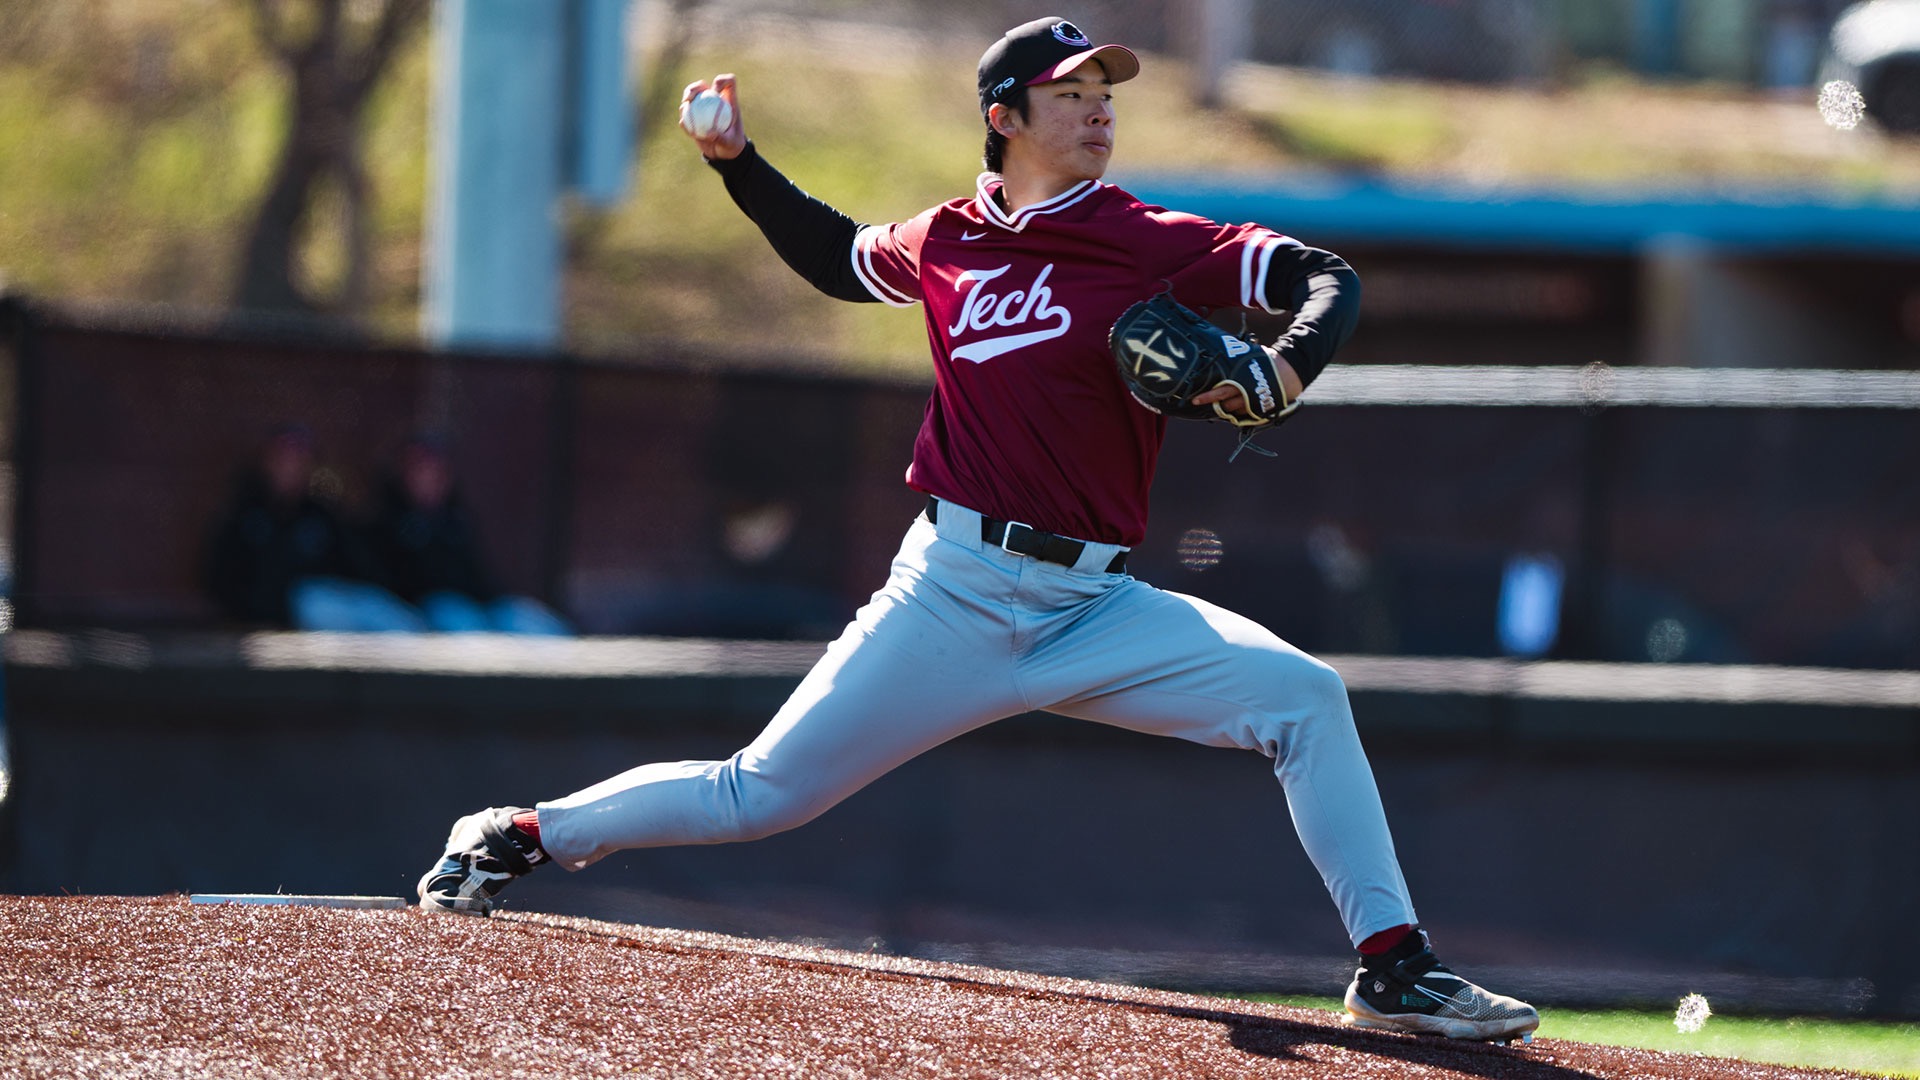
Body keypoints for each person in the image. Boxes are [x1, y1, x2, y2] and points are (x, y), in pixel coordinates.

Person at [417, 18, 1539, 1042]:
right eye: (1070, 91)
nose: (1100, 105)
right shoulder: (949, 238)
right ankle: (522, 831)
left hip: (1097, 604)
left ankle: (1395, 967)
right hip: (950, 590)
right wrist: (737, 167)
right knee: (756, 795)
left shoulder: (1142, 236)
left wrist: (1283, 363)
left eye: (1108, 88)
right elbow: (840, 257)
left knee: (1306, 697)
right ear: (1003, 117)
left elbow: (1319, 274)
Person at [204, 423, 426, 632]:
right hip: (285, 617)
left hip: (333, 605)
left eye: (299, 460)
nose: (291, 468)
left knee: (378, 608)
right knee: (313, 603)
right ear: (267, 462)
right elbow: (222, 579)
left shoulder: (321, 514)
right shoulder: (245, 515)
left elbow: (359, 567)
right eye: (284, 459)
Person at [363, 435, 571, 635]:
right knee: (460, 620)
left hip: (480, 605)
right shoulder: (387, 522)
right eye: (420, 470)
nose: (429, 479)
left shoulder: (455, 520)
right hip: (428, 611)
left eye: (436, 471)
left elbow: (481, 578)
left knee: (531, 622)